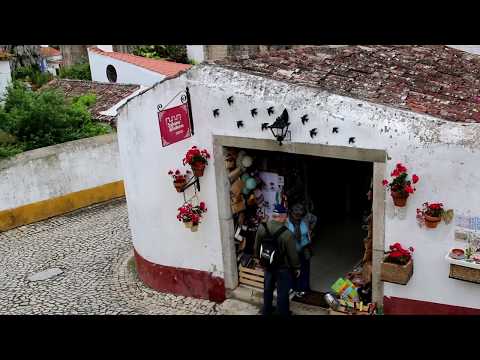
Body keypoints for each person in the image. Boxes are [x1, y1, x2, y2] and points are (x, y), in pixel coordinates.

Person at [254, 204, 300, 316]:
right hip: (282, 268)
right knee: (282, 292)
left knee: (268, 288)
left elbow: (256, 246)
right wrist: (297, 267)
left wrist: (259, 260)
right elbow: (292, 255)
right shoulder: (287, 234)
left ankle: (267, 309)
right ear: (281, 216)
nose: (286, 219)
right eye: (285, 216)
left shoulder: (262, 227)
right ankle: (283, 312)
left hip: (267, 264)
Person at [287, 203, 312, 298]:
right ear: (291, 213)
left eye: (300, 215)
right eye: (296, 215)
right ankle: (293, 287)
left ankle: (303, 288)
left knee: (304, 269)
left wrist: (310, 232)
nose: (298, 217)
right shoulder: (287, 223)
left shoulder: (304, 220)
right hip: (292, 251)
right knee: (293, 271)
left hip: (304, 248)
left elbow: (314, 219)